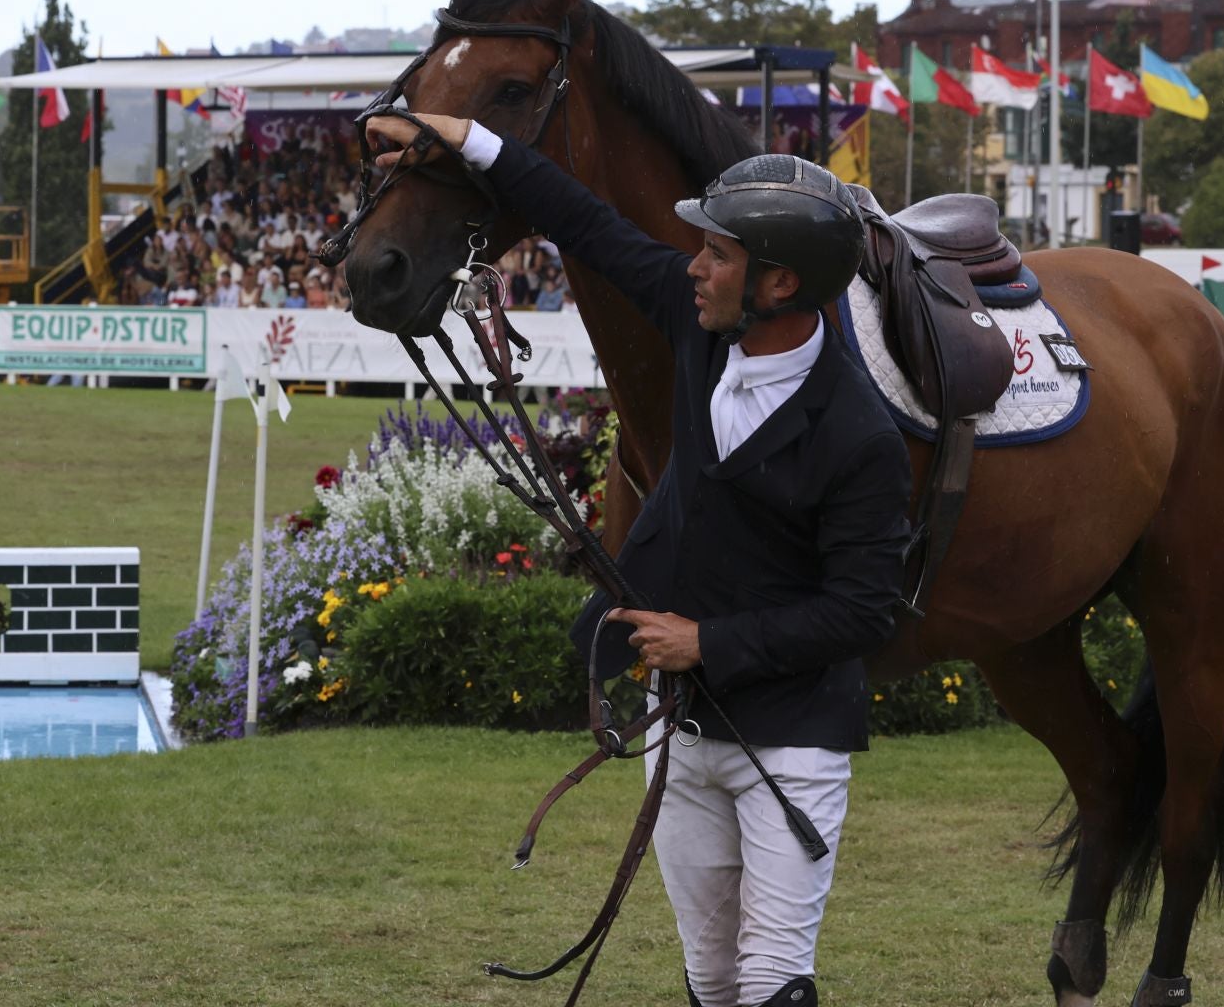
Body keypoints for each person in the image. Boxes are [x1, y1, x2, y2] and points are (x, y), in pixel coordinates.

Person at [367, 112, 911, 1007]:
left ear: (778, 281)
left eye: (717, 254)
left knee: (774, 985)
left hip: (795, 742)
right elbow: (585, 223)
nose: (693, 266)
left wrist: (707, 642)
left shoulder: (859, 435)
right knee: (710, 981)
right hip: (681, 733)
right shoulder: (699, 325)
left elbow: (863, 612)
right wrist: (470, 136)